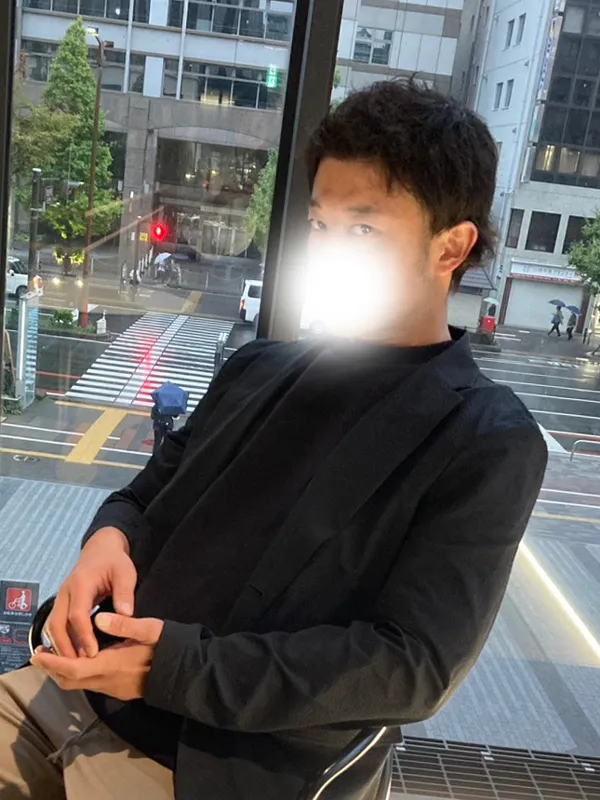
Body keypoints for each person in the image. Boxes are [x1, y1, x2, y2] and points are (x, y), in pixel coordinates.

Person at [0, 81, 547, 800]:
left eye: (362, 231)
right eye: (320, 224)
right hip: (68, 690)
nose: (329, 252)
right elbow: (147, 495)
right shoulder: (259, 367)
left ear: (453, 246)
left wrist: (173, 670)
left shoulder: (485, 440)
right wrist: (106, 539)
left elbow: (413, 665)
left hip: (208, 765)